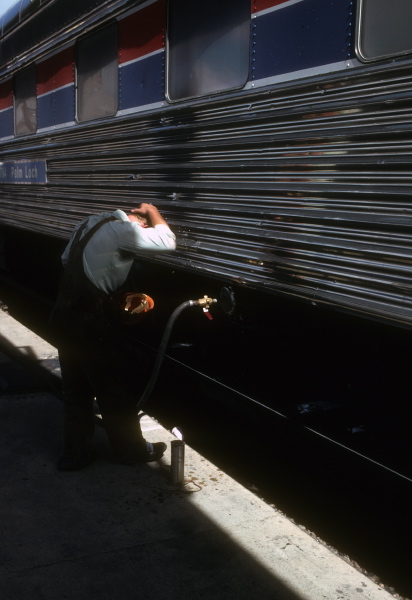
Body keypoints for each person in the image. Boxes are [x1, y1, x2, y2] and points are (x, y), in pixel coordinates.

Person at [49, 203, 176, 471]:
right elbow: (167, 241)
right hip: (89, 323)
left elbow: (65, 260)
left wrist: (105, 280)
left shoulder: (90, 222)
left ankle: (74, 455)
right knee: (113, 389)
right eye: (145, 225)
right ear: (139, 223)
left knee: (75, 390)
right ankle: (130, 451)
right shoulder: (123, 230)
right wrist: (152, 211)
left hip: (63, 315)